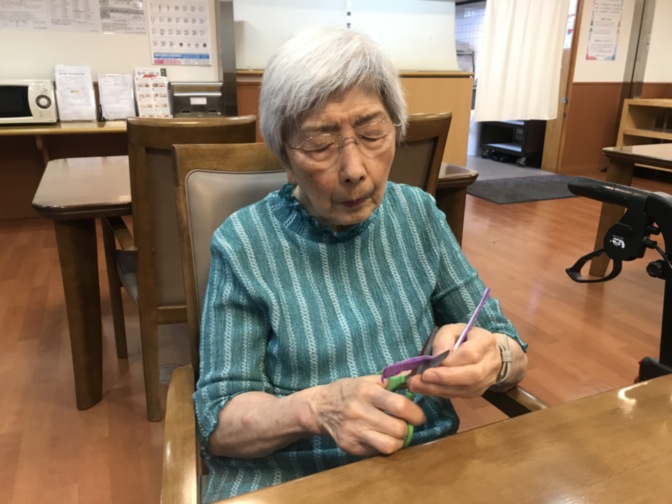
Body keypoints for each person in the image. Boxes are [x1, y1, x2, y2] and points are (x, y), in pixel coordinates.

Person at [194, 26, 528, 502]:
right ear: (285, 155)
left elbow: (510, 346)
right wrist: (316, 408)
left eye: (372, 134)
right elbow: (219, 421)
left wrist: (493, 358)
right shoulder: (244, 243)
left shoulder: (418, 215)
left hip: (423, 473)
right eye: (320, 145)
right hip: (293, 482)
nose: (354, 169)